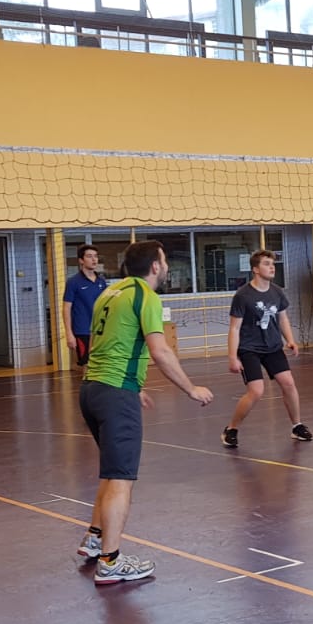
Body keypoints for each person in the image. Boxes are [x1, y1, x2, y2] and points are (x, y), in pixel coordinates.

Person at [75, 240, 214, 585]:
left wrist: (132, 387)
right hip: (114, 393)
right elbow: (160, 350)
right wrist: (190, 388)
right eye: (164, 261)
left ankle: (95, 538)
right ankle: (110, 561)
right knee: (121, 477)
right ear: (155, 266)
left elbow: (104, 344)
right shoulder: (146, 296)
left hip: (93, 389)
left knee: (111, 471)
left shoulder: (110, 293)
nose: (166, 267)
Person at [223, 251, 312, 448]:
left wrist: (290, 340)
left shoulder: (277, 292)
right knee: (256, 391)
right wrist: (232, 357)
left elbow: (283, 318)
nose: (272, 267)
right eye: (266, 264)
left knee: (288, 383)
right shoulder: (243, 296)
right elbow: (234, 328)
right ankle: (231, 429)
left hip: (272, 347)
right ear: (255, 269)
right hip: (249, 348)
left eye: (272, 263)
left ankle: (297, 426)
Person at [61, 244, 108, 367]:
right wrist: (69, 333)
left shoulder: (101, 281)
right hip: (82, 331)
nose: (94, 259)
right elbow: (66, 308)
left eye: (95, 256)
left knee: (101, 364)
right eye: (89, 256)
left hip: (100, 330)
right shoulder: (73, 282)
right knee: (86, 365)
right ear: (81, 260)